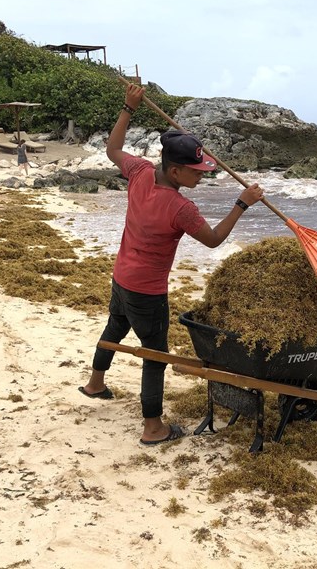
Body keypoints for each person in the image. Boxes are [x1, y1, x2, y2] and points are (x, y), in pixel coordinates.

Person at [79, 83, 264, 446]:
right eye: (197, 172)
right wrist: (242, 204)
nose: (202, 176)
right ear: (177, 172)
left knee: (115, 328)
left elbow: (113, 149)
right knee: (155, 355)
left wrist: (128, 107)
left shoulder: (140, 171)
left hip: (122, 277)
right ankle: (153, 428)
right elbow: (213, 240)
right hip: (147, 291)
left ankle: (95, 384)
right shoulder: (181, 208)